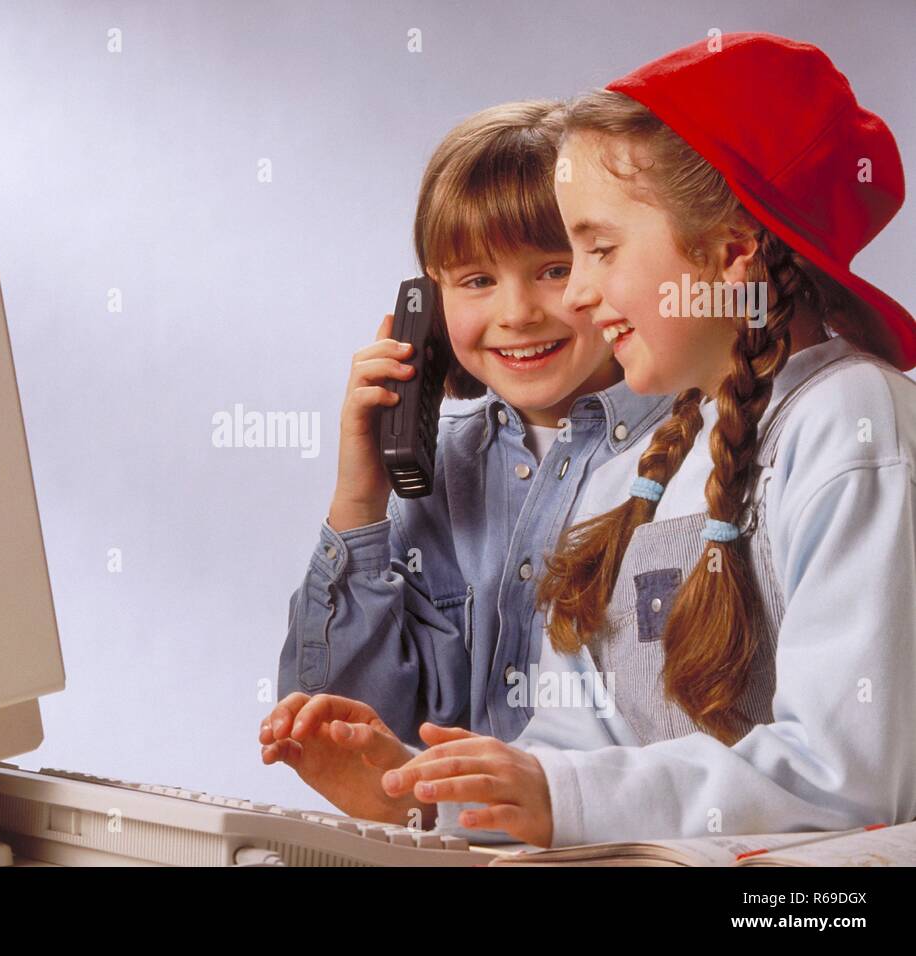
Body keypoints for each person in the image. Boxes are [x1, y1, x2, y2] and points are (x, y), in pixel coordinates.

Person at [381, 33, 916, 848]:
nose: (582, 294)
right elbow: (576, 759)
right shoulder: (632, 478)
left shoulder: (853, 426)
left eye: (598, 248)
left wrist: (560, 793)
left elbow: (847, 774)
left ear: (732, 251)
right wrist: (423, 798)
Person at [264, 100, 672, 828]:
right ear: (427, 298)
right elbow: (345, 738)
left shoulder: (685, 457)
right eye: (477, 280)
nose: (516, 313)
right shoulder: (437, 472)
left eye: (552, 270)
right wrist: (359, 501)